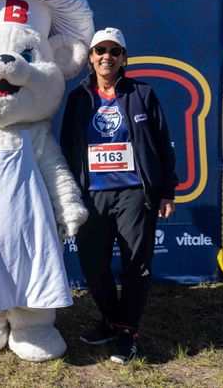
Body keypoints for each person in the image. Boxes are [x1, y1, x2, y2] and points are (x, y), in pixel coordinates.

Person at [60, 27, 177, 365]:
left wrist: (167, 191)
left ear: (124, 58)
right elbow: (68, 150)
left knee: (135, 264)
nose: (106, 56)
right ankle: (111, 319)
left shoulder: (143, 94)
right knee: (93, 264)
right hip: (92, 195)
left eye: (113, 51)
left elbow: (162, 145)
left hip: (133, 194)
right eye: (100, 51)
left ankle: (128, 331)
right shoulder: (78, 99)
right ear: (90, 59)